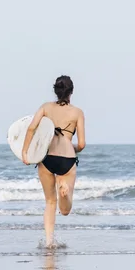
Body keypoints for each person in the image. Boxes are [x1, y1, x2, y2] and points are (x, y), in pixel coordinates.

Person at [21, 75, 86, 248]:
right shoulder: (77, 112)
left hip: (47, 157)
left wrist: (25, 152)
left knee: (50, 202)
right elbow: (81, 144)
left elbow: (31, 128)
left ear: (55, 91)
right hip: (67, 158)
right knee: (65, 210)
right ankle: (64, 191)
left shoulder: (45, 107)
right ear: (71, 92)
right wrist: (73, 148)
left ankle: (49, 242)